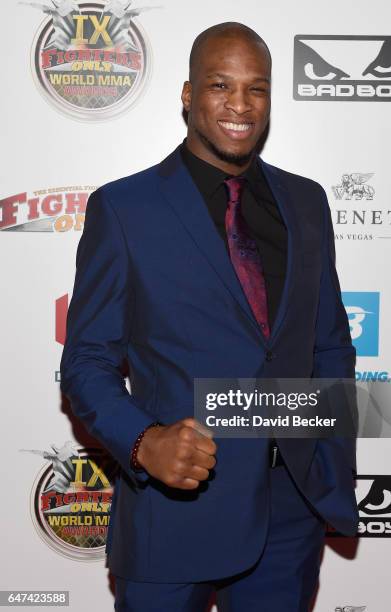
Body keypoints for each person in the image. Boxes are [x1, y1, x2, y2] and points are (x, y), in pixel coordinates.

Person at [60, 21, 358, 612]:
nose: (240, 105)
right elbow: (87, 362)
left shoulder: (306, 202)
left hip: (290, 511)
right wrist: (144, 442)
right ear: (188, 94)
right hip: (176, 507)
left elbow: (328, 345)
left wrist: (329, 463)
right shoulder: (125, 208)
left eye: (257, 88)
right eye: (221, 85)